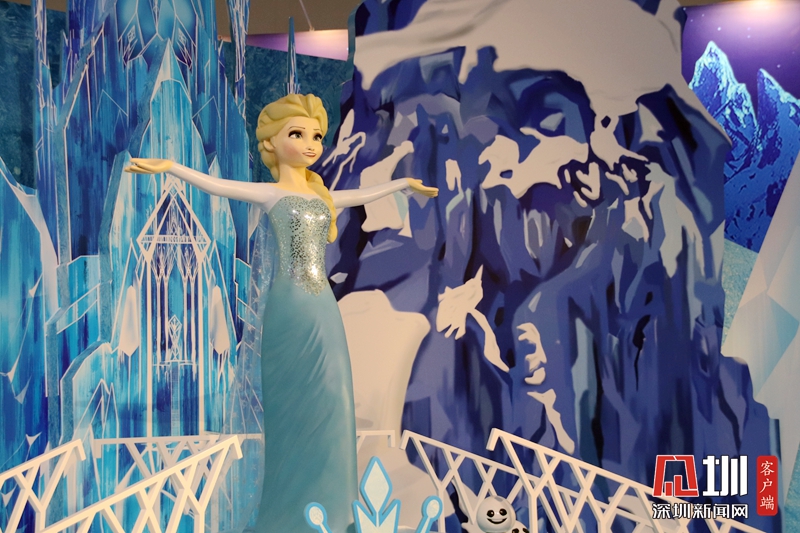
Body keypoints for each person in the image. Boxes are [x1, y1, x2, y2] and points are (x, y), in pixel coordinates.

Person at [126, 93, 437, 533]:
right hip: (290, 309)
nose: (310, 144)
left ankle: (336, 513)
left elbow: (362, 194)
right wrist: (172, 168)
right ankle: (290, 517)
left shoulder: (322, 196)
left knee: (334, 402)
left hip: (324, 308)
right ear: (272, 142)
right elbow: (217, 186)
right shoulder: (271, 194)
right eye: (298, 134)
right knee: (293, 408)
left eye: (317, 136)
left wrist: (403, 184)